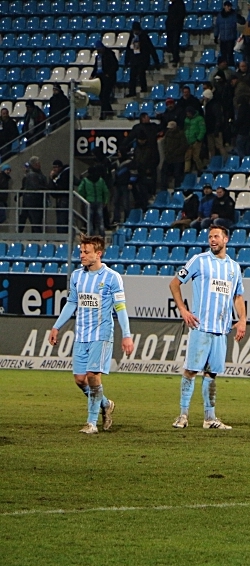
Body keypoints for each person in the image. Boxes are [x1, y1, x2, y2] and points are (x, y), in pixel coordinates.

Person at [48, 235, 133, 434]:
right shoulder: (77, 276)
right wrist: (56, 326)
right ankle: (105, 404)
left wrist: (126, 335)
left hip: (101, 334)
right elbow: (71, 303)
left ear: (98, 254)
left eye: (86, 252)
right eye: (81, 252)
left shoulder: (112, 277)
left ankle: (91, 423)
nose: (82, 256)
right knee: (80, 379)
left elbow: (120, 308)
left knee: (93, 377)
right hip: (81, 335)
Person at [169, 225, 247, 430]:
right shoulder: (199, 261)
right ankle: (183, 415)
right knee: (191, 371)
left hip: (221, 329)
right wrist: (184, 310)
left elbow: (238, 296)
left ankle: (209, 418)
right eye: (210, 237)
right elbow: (174, 283)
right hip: (201, 327)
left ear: (226, 239)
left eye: (216, 236)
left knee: (212, 373)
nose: (212, 240)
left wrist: (243, 320)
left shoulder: (234, 268)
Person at [125, 21, 159, 97]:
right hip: (134, 59)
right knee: (132, 76)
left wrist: (156, 61)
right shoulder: (132, 37)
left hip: (143, 59)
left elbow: (151, 48)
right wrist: (126, 60)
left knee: (141, 73)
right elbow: (128, 49)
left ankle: (144, 88)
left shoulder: (144, 36)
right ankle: (132, 91)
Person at [19, 156, 49, 233]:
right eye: (38, 163)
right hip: (34, 201)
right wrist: (46, 188)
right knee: (35, 221)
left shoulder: (37, 174)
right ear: (34, 164)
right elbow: (35, 186)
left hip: (33, 200)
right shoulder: (32, 175)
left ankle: (32, 237)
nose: (39, 165)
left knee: (31, 220)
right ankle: (36, 238)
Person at [77, 167, 109, 237]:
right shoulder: (100, 180)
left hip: (89, 201)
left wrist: (84, 197)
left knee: (89, 220)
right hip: (99, 201)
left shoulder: (85, 180)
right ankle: (102, 234)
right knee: (100, 220)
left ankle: (91, 234)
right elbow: (106, 191)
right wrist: (105, 201)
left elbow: (80, 190)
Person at [93, 41, 119, 118]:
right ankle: (109, 111)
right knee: (102, 96)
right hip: (100, 78)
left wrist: (108, 73)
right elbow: (96, 67)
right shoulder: (98, 57)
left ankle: (103, 113)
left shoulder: (110, 54)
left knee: (105, 95)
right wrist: (92, 75)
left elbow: (115, 66)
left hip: (108, 78)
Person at [161, 120, 188, 190]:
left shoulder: (181, 134)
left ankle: (177, 189)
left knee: (177, 174)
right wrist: (166, 152)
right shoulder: (167, 133)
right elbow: (165, 143)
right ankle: (163, 188)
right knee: (163, 172)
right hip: (168, 157)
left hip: (178, 158)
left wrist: (175, 152)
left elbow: (183, 146)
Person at [214, 1, 240, 66]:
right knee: (223, 55)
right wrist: (216, 36)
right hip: (222, 38)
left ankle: (231, 68)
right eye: (227, 6)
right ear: (224, 6)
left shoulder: (233, 15)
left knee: (230, 55)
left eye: (230, 6)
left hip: (231, 38)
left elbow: (242, 22)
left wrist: (239, 17)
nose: (229, 8)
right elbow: (217, 26)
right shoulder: (220, 16)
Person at [183, 106, 206, 175]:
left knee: (196, 157)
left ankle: (200, 169)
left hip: (196, 141)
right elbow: (185, 129)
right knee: (187, 157)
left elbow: (203, 129)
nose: (187, 114)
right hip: (188, 141)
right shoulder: (186, 120)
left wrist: (199, 139)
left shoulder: (200, 119)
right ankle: (186, 171)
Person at [50, 159, 71, 233]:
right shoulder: (60, 175)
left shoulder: (64, 174)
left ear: (60, 167)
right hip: (60, 199)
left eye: (55, 167)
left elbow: (59, 186)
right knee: (60, 218)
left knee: (62, 218)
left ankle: (62, 234)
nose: (54, 169)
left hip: (63, 198)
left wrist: (52, 178)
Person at [165, 0, 186, 66]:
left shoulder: (180, 5)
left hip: (176, 27)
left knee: (175, 42)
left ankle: (176, 58)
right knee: (171, 42)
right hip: (170, 27)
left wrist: (175, 23)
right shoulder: (171, 5)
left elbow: (181, 16)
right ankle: (174, 55)